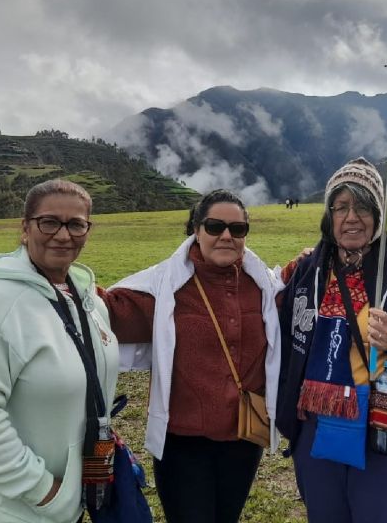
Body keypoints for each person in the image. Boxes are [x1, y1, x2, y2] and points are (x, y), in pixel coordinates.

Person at [276, 157, 387, 523]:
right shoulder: (308, 270)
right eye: (341, 207)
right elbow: (285, 339)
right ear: (329, 215)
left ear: (379, 215)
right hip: (315, 424)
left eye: (364, 206)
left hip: (386, 425)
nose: (351, 217)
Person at [101, 189, 285, 523]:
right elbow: (103, 312)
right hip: (184, 443)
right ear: (196, 230)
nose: (227, 236)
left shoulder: (262, 286)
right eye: (215, 226)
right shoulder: (164, 288)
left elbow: (300, 287)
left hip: (244, 440)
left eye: (238, 229)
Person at [0, 179, 119, 523]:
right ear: (25, 228)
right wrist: (44, 491)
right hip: (21, 509)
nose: (63, 234)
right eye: (49, 222)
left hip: (76, 497)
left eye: (76, 224)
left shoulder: (87, 302)